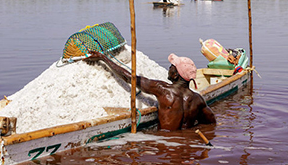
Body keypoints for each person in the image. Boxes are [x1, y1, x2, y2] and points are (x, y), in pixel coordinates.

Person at [86, 51, 216, 130]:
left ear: (176, 75)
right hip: (184, 145)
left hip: (165, 143)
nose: (169, 68)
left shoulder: (163, 89)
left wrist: (104, 59)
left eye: (172, 66)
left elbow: (129, 78)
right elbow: (211, 122)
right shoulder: (198, 100)